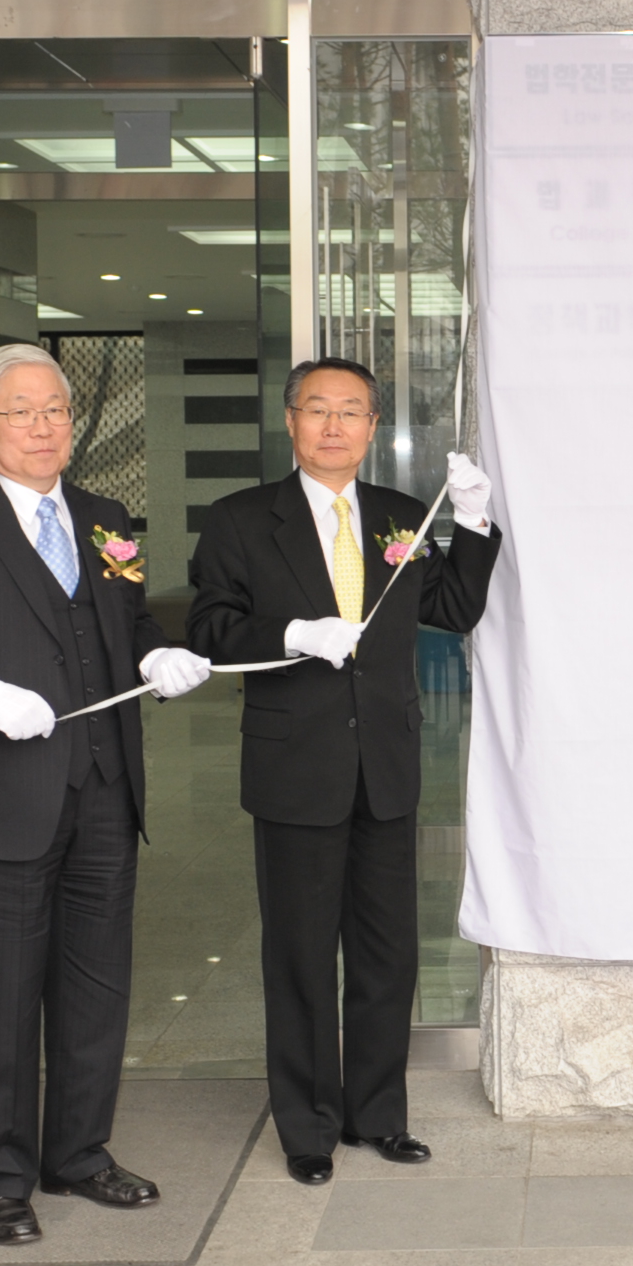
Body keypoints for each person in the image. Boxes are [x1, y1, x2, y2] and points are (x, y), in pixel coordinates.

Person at [0, 343, 213, 1246]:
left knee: (97, 986)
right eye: (21, 412)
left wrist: (155, 653)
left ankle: (80, 1153)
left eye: (56, 409)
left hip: (104, 786)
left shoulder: (103, 516)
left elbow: (124, 620)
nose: (44, 426)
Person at [187, 358, 499, 1184]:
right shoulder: (241, 519)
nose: (334, 426)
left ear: (372, 427)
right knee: (299, 956)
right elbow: (211, 629)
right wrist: (291, 634)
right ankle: (307, 1126)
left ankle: (379, 1114)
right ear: (290, 421)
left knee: (386, 953)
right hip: (295, 767)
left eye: (352, 411)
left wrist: (472, 523)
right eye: (318, 409)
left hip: (386, 766)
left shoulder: (399, 515)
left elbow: (454, 609)